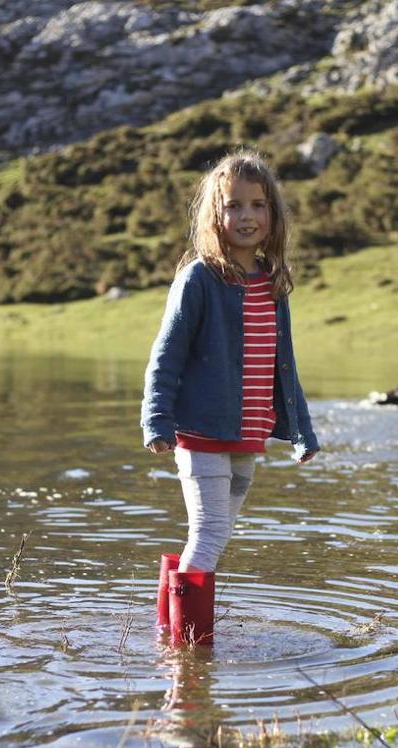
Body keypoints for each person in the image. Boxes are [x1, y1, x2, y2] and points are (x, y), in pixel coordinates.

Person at [141, 151, 319, 645]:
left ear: (272, 215)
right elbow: (166, 355)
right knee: (212, 535)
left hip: (248, 434)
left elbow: (284, 367)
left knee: (209, 535)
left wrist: (302, 432)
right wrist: (156, 419)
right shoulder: (200, 278)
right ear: (214, 215)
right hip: (201, 434)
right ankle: (190, 653)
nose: (246, 217)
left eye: (258, 205)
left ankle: (167, 629)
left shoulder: (272, 282)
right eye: (233, 205)